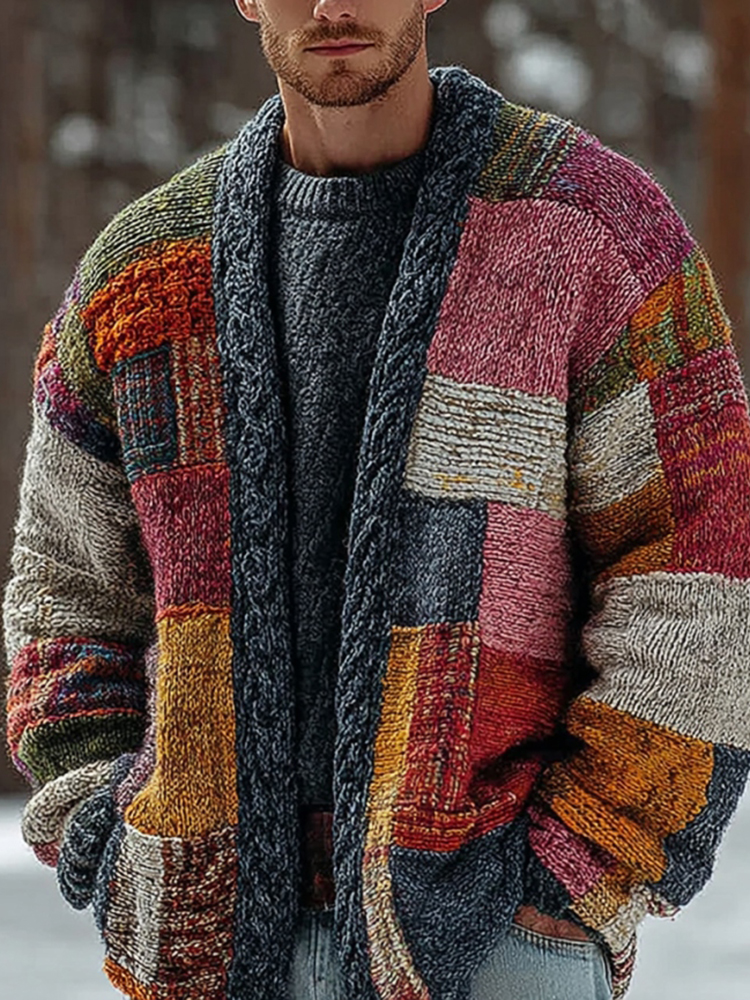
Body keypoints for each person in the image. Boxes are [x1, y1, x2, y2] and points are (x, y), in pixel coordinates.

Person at [4, 1, 750, 998]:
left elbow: (703, 570)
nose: (331, 6)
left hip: (497, 941)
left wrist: (575, 871)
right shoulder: (141, 276)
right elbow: (62, 592)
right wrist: (106, 826)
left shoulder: (587, 231)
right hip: (204, 949)